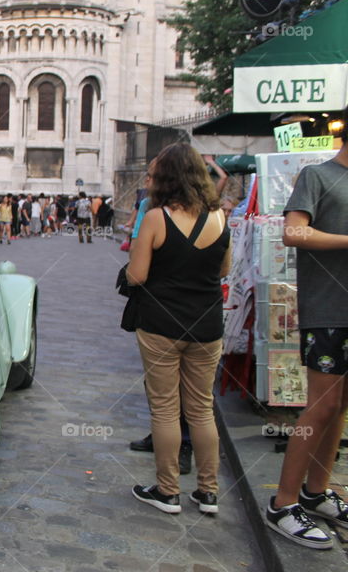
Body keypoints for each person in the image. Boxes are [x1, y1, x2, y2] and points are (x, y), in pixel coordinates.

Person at [126, 142, 231, 516]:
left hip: (161, 324)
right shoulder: (220, 218)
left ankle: (168, 490)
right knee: (202, 409)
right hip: (207, 323)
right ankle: (208, 492)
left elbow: (137, 275)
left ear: (166, 178)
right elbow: (222, 271)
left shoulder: (156, 218)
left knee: (166, 409)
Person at [265, 135, 348, 549]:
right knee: (323, 404)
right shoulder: (318, 176)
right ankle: (284, 501)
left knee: (340, 406)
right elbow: (294, 233)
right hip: (329, 308)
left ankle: (317, 491)